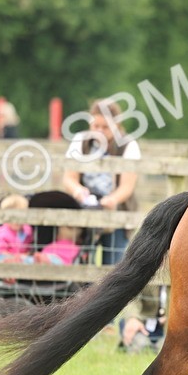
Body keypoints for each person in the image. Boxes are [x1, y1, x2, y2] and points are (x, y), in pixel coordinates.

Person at [62, 98, 140, 266]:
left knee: (113, 267)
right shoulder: (80, 141)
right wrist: (78, 191)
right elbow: (69, 177)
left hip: (117, 212)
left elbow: (127, 186)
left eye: (105, 127)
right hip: (85, 209)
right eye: (96, 126)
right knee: (79, 264)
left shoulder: (128, 145)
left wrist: (112, 200)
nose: (99, 131)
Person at [0, 195, 34, 263]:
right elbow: (1, 251)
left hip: (17, 258)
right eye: (12, 218)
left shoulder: (27, 230)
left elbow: (28, 248)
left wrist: (24, 256)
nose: (17, 221)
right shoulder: (2, 232)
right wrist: (17, 258)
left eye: (20, 217)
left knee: (30, 260)